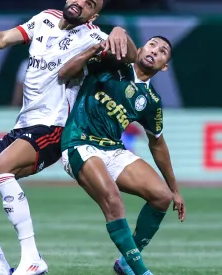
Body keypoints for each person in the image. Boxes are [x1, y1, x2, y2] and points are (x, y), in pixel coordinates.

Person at [0, 0, 137, 274]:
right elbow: (1, 38)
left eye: (90, 3)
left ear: (94, 15)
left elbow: (132, 56)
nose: (80, 3)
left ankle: (32, 259)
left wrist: (120, 31)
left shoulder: (94, 37)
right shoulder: (44, 18)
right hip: (23, 127)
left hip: (54, 128)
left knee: (0, 168)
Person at [59, 36, 186, 275]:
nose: (155, 52)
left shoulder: (152, 101)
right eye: (151, 45)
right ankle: (141, 271)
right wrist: (118, 31)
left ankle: (126, 262)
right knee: (113, 201)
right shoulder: (112, 65)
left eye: (163, 52)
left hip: (113, 149)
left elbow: (157, 144)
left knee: (161, 197)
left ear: (165, 66)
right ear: (138, 48)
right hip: (79, 142)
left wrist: (175, 189)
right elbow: (68, 71)